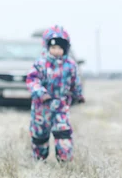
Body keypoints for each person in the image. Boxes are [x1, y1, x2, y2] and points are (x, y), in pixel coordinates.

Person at [26, 25, 84, 162]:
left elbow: (75, 81)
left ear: (65, 48)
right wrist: (41, 93)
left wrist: (78, 94)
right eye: (53, 48)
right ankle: (39, 158)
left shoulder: (70, 65)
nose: (56, 51)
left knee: (63, 132)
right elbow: (32, 80)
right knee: (40, 135)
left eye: (60, 48)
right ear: (47, 47)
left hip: (61, 107)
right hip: (42, 107)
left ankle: (64, 158)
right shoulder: (40, 64)